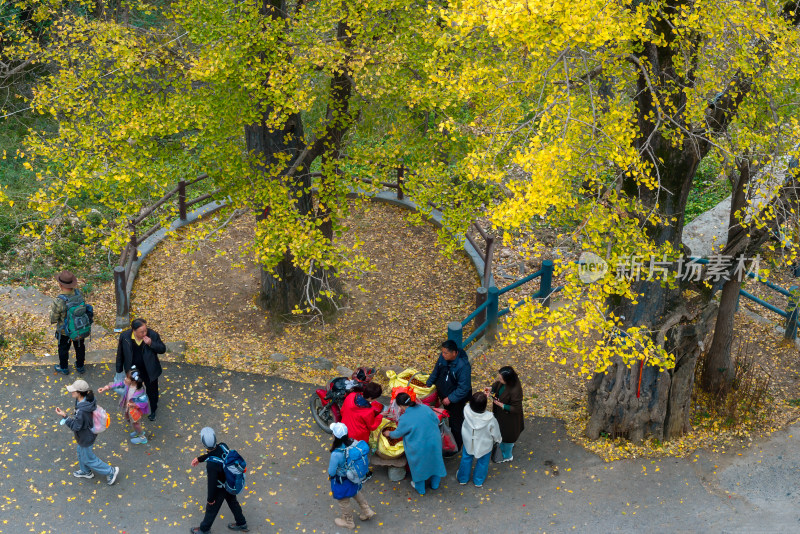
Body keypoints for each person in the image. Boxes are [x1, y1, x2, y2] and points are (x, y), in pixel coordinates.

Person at [54, 379, 120, 485]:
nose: (71, 392)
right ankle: (85, 471)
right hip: (87, 434)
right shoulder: (86, 400)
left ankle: (110, 471)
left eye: (73, 391)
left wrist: (65, 417)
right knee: (81, 452)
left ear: (79, 393)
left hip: (86, 436)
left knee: (89, 458)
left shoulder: (82, 411)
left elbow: (76, 426)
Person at [383, 392, 447, 496]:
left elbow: (397, 433)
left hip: (418, 445)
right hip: (434, 440)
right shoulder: (425, 408)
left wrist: (389, 433)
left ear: (401, 406)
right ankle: (435, 484)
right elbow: (436, 420)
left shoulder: (404, 418)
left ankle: (420, 488)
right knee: (435, 460)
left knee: (419, 466)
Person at [190, 427, 249, 533]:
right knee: (232, 502)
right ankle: (242, 523)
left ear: (203, 443)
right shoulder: (223, 445)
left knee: (211, 509)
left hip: (220, 487)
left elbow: (212, 484)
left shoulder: (212, 466)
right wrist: (200, 458)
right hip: (230, 482)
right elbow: (214, 453)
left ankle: (204, 530)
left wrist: (210, 499)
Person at [327, 422, 377, 529]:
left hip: (342, 480)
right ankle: (367, 510)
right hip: (354, 477)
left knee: (343, 501)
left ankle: (348, 521)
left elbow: (331, 472)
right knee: (356, 492)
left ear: (335, 436)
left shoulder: (336, 454)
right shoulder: (353, 442)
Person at [425, 339, 472, 451]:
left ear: (454, 353)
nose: (443, 355)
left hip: (456, 399)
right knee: (448, 414)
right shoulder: (443, 358)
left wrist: (450, 398)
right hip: (444, 395)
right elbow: (436, 370)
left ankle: (456, 444)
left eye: (446, 353)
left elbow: (463, 388)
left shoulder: (463, 366)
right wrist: (429, 383)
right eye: (442, 352)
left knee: (456, 422)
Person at [115, 318, 166, 421]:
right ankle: (136, 408)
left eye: (145, 330)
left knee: (152, 392)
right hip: (134, 372)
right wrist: (119, 369)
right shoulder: (125, 337)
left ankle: (153, 409)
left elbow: (162, 349)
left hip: (149, 370)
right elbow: (120, 353)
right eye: (141, 332)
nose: (144, 333)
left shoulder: (152, 335)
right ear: (134, 331)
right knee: (134, 392)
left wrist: (151, 343)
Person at [457, 392, 502, 487]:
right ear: (485, 405)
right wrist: (498, 439)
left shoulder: (466, 410)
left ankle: (463, 478)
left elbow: (470, 405)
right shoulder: (490, 418)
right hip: (484, 444)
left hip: (468, 441)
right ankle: (478, 480)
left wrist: (479, 398)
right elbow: (495, 432)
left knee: (466, 459)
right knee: (483, 462)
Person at [98, 367, 150, 444]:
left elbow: (144, 402)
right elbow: (118, 383)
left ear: (134, 381)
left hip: (135, 411)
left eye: (127, 378)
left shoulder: (140, 391)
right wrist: (107, 387)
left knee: (136, 423)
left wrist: (133, 404)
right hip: (128, 408)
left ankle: (142, 436)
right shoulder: (128, 384)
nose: (125, 379)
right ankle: (137, 431)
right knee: (128, 419)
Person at [50, 270, 86, 375]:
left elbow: (54, 318)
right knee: (80, 346)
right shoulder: (79, 294)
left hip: (64, 330)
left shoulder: (59, 301)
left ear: (60, 284)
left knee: (63, 348)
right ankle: (80, 366)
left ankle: (64, 368)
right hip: (79, 327)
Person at [488, 366, 524, 462]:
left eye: (501, 378)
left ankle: (507, 456)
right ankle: (505, 447)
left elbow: (516, 408)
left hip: (510, 420)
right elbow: (497, 385)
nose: (499, 380)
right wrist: (490, 389)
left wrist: (501, 405)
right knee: (502, 434)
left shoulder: (515, 390)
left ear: (508, 379)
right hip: (502, 416)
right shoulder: (505, 382)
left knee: (507, 437)